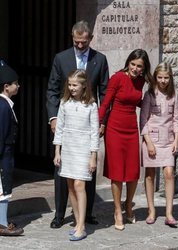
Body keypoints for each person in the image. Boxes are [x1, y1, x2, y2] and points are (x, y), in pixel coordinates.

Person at [46, 20, 109, 228]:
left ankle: (86, 213)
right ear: (72, 38)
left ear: (90, 38)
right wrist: (54, 118)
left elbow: (105, 93)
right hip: (67, 123)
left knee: (86, 171)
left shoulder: (100, 60)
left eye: (83, 42)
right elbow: (52, 90)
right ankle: (60, 214)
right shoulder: (61, 58)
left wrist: (101, 122)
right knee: (62, 171)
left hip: (88, 123)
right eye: (76, 42)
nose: (80, 46)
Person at [98, 49, 154, 231]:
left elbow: (138, 101)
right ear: (128, 62)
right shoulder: (117, 78)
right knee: (117, 172)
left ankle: (128, 204)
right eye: (133, 64)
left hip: (131, 128)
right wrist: (98, 123)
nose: (135, 69)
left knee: (132, 172)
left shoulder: (141, 82)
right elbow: (106, 103)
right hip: (114, 128)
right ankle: (117, 210)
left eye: (139, 66)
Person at [53, 69, 99, 241]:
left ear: (84, 85)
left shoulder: (92, 106)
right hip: (68, 149)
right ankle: (77, 221)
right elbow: (60, 129)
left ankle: (82, 225)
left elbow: (94, 132)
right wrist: (57, 151)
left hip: (84, 149)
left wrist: (93, 156)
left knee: (80, 185)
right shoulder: (64, 103)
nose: (71, 88)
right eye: (70, 84)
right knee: (71, 185)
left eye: (75, 85)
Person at [140, 62, 178, 226]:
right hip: (152, 140)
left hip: (168, 140)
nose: (163, 81)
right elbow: (143, 119)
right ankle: (151, 210)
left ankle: (169, 213)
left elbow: (176, 118)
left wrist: (177, 139)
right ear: (155, 77)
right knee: (150, 175)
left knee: (169, 173)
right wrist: (148, 142)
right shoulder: (149, 94)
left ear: (170, 77)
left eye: (166, 77)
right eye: (160, 77)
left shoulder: (174, 94)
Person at [0, 60, 24, 236]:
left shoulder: (6, 104)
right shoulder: (3, 107)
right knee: (3, 191)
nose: (18, 86)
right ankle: (1, 224)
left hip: (6, 155)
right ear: (6, 86)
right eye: (15, 84)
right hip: (3, 156)